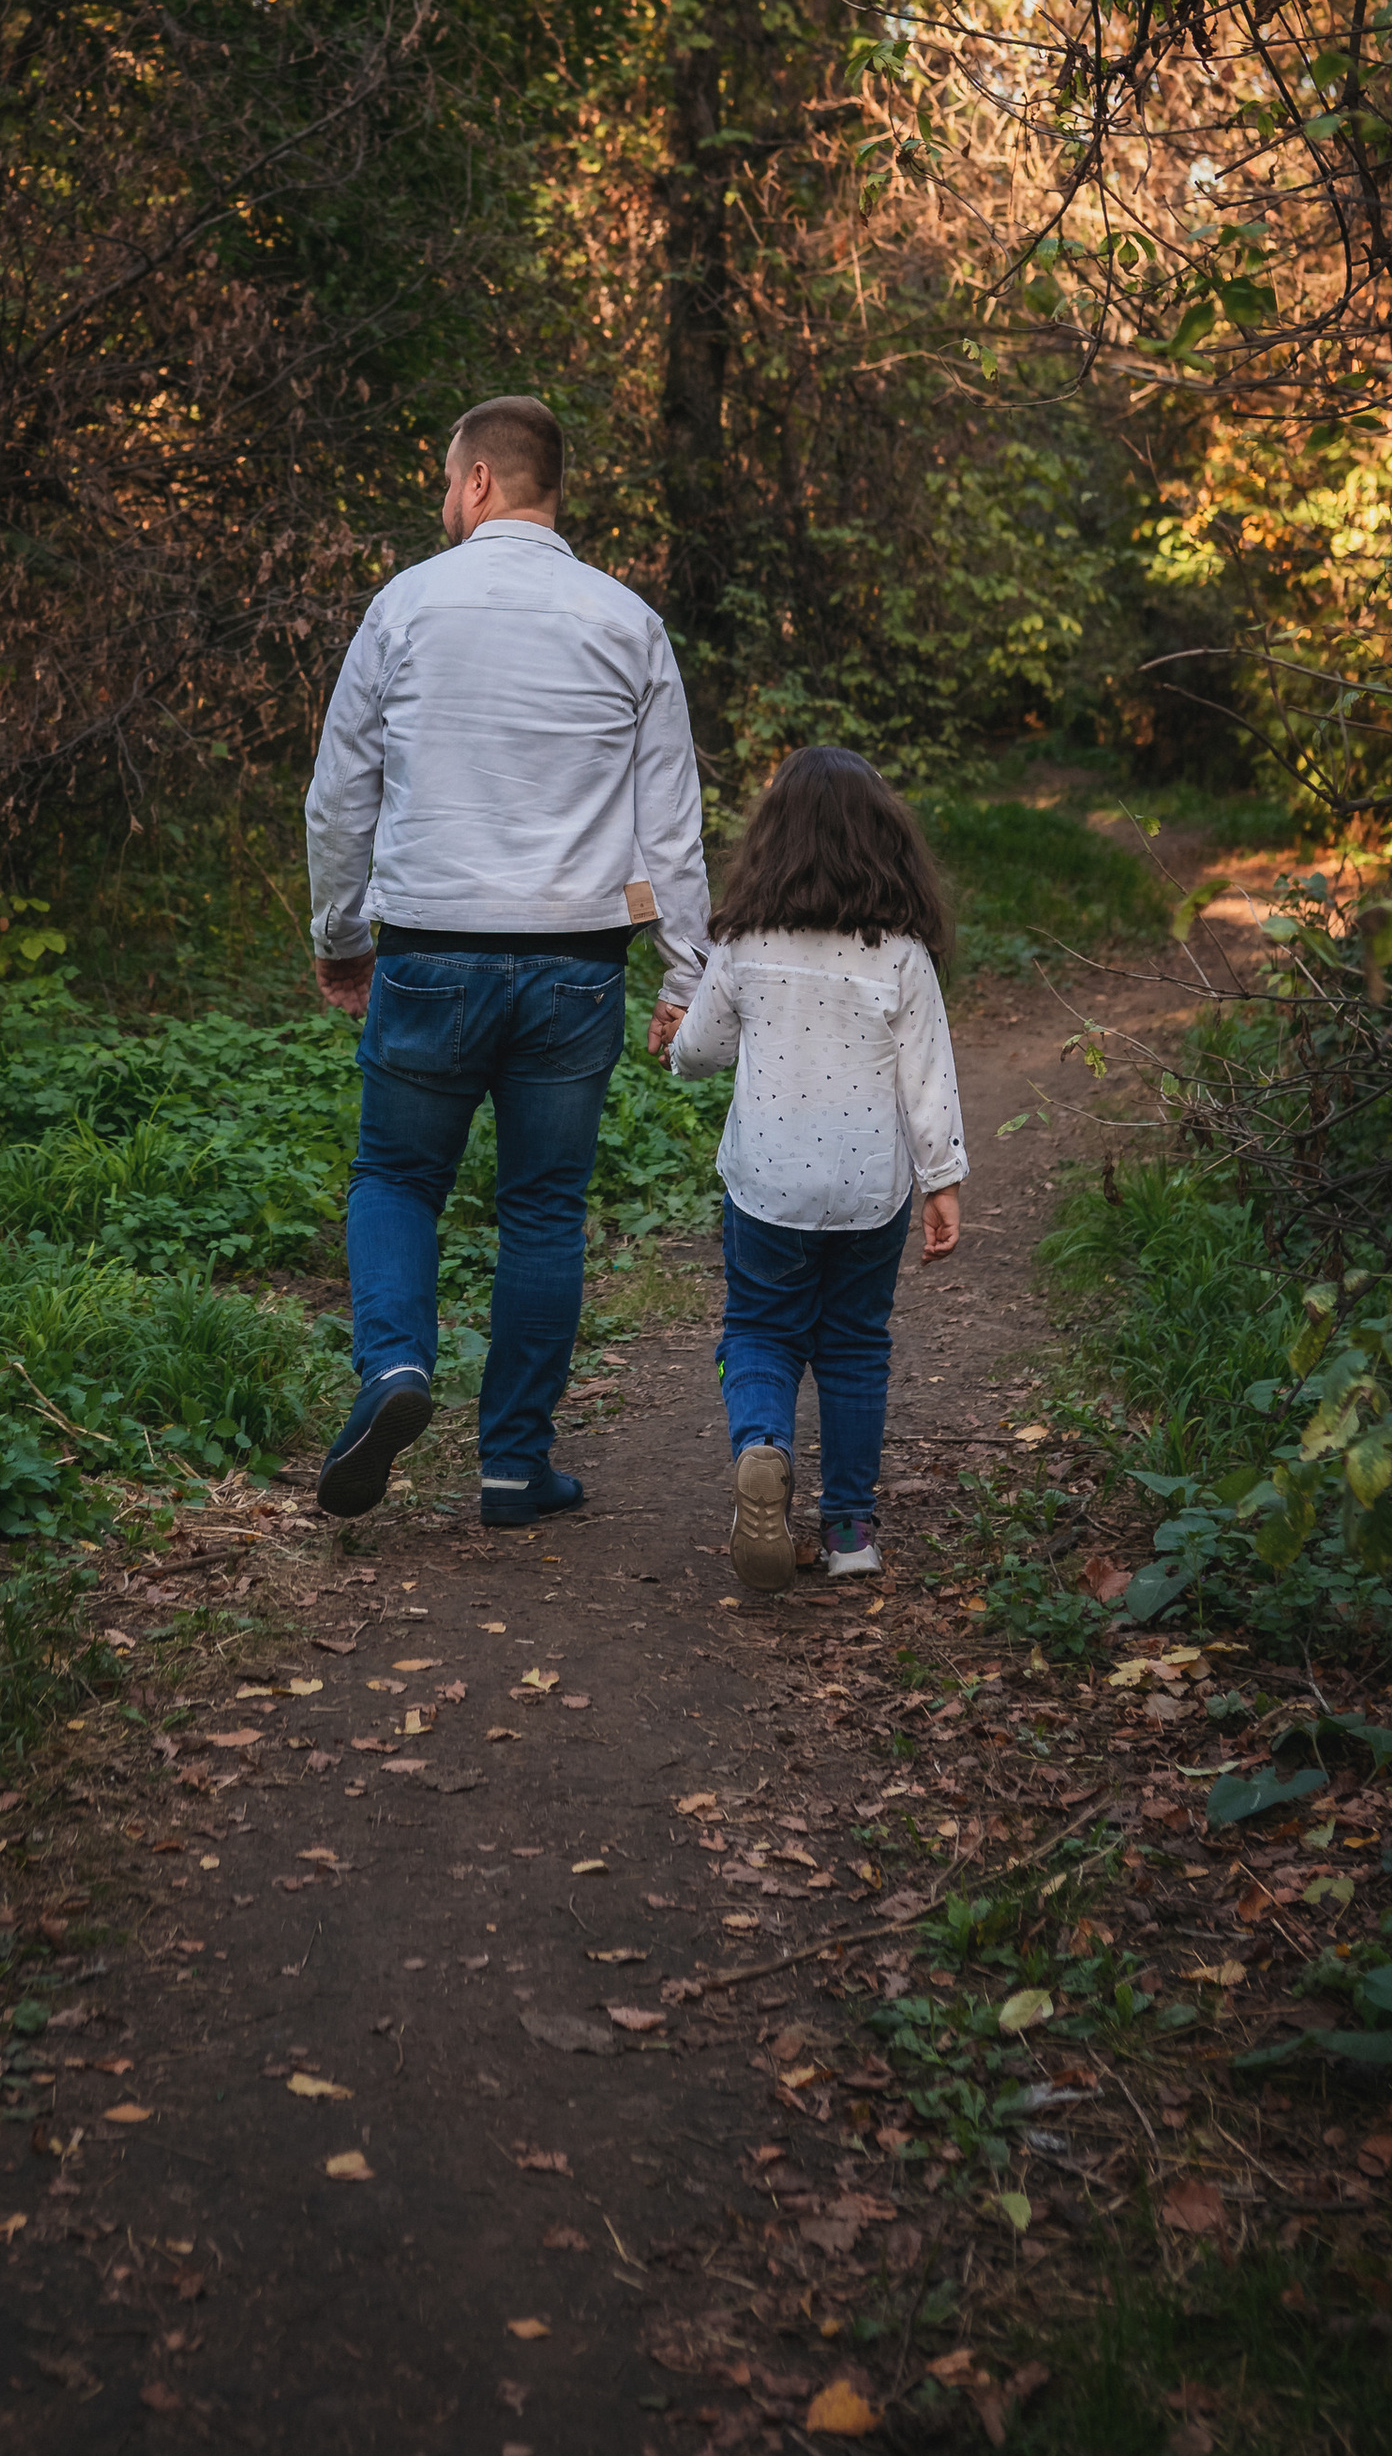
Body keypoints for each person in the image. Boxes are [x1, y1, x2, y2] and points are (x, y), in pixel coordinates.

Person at [303, 394, 710, 1528]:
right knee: (541, 1210)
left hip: (429, 952)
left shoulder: (405, 607)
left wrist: (341, 937)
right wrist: (686, 974)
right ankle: (513, 1466)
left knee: (395, 1179)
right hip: (574, 966)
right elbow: (668, 820)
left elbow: (340, 796)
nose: (445, 501)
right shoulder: (625, 621)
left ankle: (392, 1368)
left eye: (447, 480)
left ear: (478, 480)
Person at [655, 744, 965, 1589]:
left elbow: (704, 1051)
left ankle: (763, 1446)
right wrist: (944, 1183)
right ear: (885, 844)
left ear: (772, 843)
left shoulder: (747, 942)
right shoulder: (901, 953)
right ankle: (851, 1531)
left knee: (760, 1328)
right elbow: (928, 1079)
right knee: (857, 1346)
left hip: (767, 1184)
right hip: (870, 1189)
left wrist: (672, 1049)